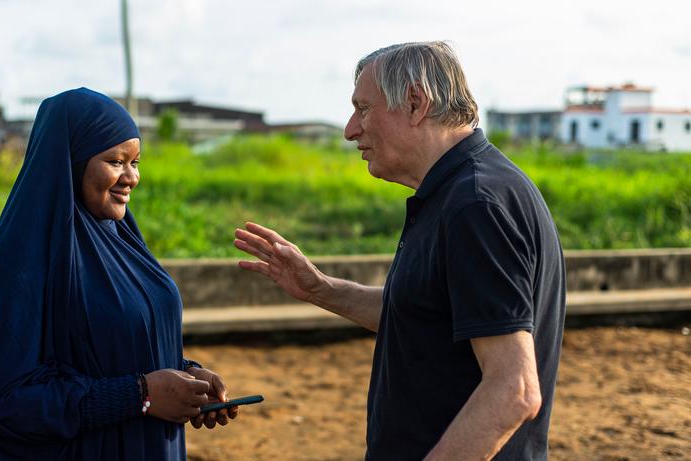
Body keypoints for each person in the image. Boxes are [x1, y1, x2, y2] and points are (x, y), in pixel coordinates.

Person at [234, 41, 565, 460]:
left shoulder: (475, 205)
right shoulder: (462, 192)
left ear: (414, 103)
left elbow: (513, 390)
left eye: (364, 108)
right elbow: (431, 316)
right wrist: (319, 288)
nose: (351, 129)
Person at [0, 88, 237, 461]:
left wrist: (186, 378)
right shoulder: (22, 264)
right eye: (115, 161)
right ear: (71, 163)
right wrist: (141, 395)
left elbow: (116, 346)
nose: (131, 177)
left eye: (136, 162)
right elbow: (3, 402)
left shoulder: (122, 242)